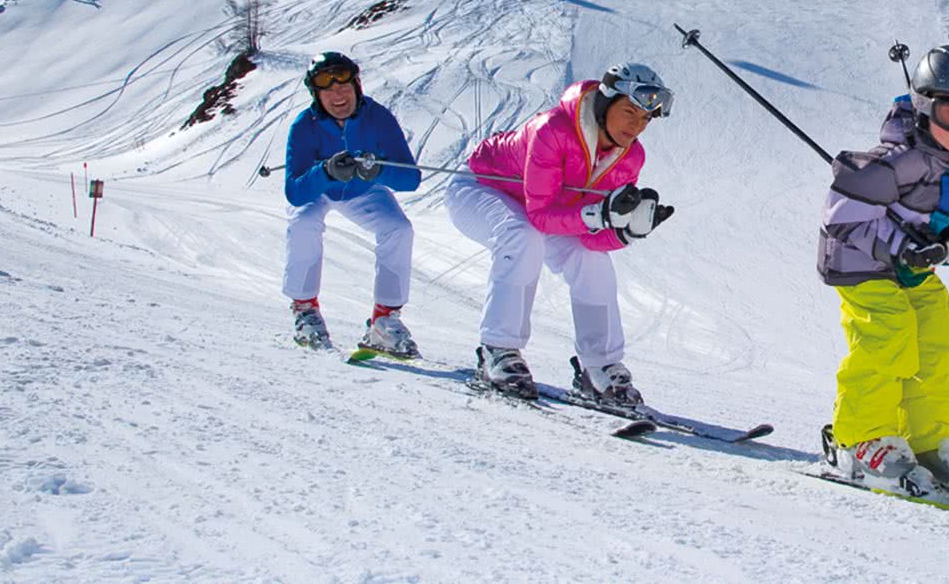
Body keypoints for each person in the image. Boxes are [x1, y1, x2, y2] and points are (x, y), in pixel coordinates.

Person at [817, 45, 949, 501]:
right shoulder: (894, 160)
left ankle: (926, 440)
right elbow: (841, 218)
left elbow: (945, 221)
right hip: (860, 263)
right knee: (889, 335)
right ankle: (861, 439)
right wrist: (903, 247)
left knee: (941, 338)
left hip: (910, 271)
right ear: (923, 104)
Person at [446, 63, 675, 405]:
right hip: (482, 187)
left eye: (645, 119)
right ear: (604, 103)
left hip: (551, 211)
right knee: (521, 236)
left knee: (592, 261)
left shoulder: (631, 157)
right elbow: (540, 216)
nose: (636, 125)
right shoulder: (552, 129)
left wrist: (626, 232)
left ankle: (599, 367)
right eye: (629, 112)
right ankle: (499, 350)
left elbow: (590, 238)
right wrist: (598, 214)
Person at [280, 52, 422, 358]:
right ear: (316, 95)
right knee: (304, 222)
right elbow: (295, 192)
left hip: (362, 189)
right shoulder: (304, 126)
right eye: (327, 89)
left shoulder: (378, 118)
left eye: (343, 85)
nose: (338, 95)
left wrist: (378, 170)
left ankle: (384, 320)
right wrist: (326, 172)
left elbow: (410, 179)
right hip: (319, 190)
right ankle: (305, 310)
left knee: (398, 229)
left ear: (357, 85)